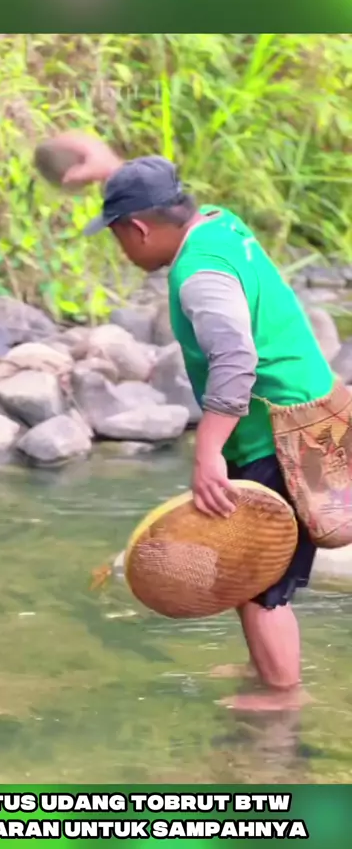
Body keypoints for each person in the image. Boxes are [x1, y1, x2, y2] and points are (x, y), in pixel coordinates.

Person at [52, 134, 336, 712]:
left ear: (138, 229)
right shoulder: (217, 224)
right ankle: (265, 669)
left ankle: (283, 697)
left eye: (117, 234)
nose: (121, 247)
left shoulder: (201, 274)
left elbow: (235, 360)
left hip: (280, 433)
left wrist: (207, 453)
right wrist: (112, 171)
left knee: (261, 581)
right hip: (306, 412)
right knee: (248, 557)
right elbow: (153, 198)